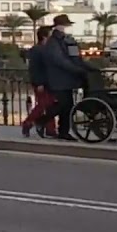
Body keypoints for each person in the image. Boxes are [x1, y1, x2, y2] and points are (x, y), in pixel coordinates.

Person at [38, 14, 94, 142]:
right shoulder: (53, 42)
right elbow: (60, 61)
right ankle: (44, 121)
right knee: (64, 104)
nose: (65, 28)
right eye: (64, 25)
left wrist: (87, 68)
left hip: (66, 79)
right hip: (58, 79)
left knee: (67, 105)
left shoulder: (65, 40)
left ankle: (62, 131)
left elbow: (75, 58)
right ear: (58, 26)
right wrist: (78, 69)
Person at [21, 25, 57, 138]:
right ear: (45, 37)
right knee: (43, 105)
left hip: (49, 82)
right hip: (42, 82)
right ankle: (28, 122)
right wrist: (39, 83)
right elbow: (35, 68)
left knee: (50, 106)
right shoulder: (37, 50)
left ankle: (50, 129)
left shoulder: (46, 49)